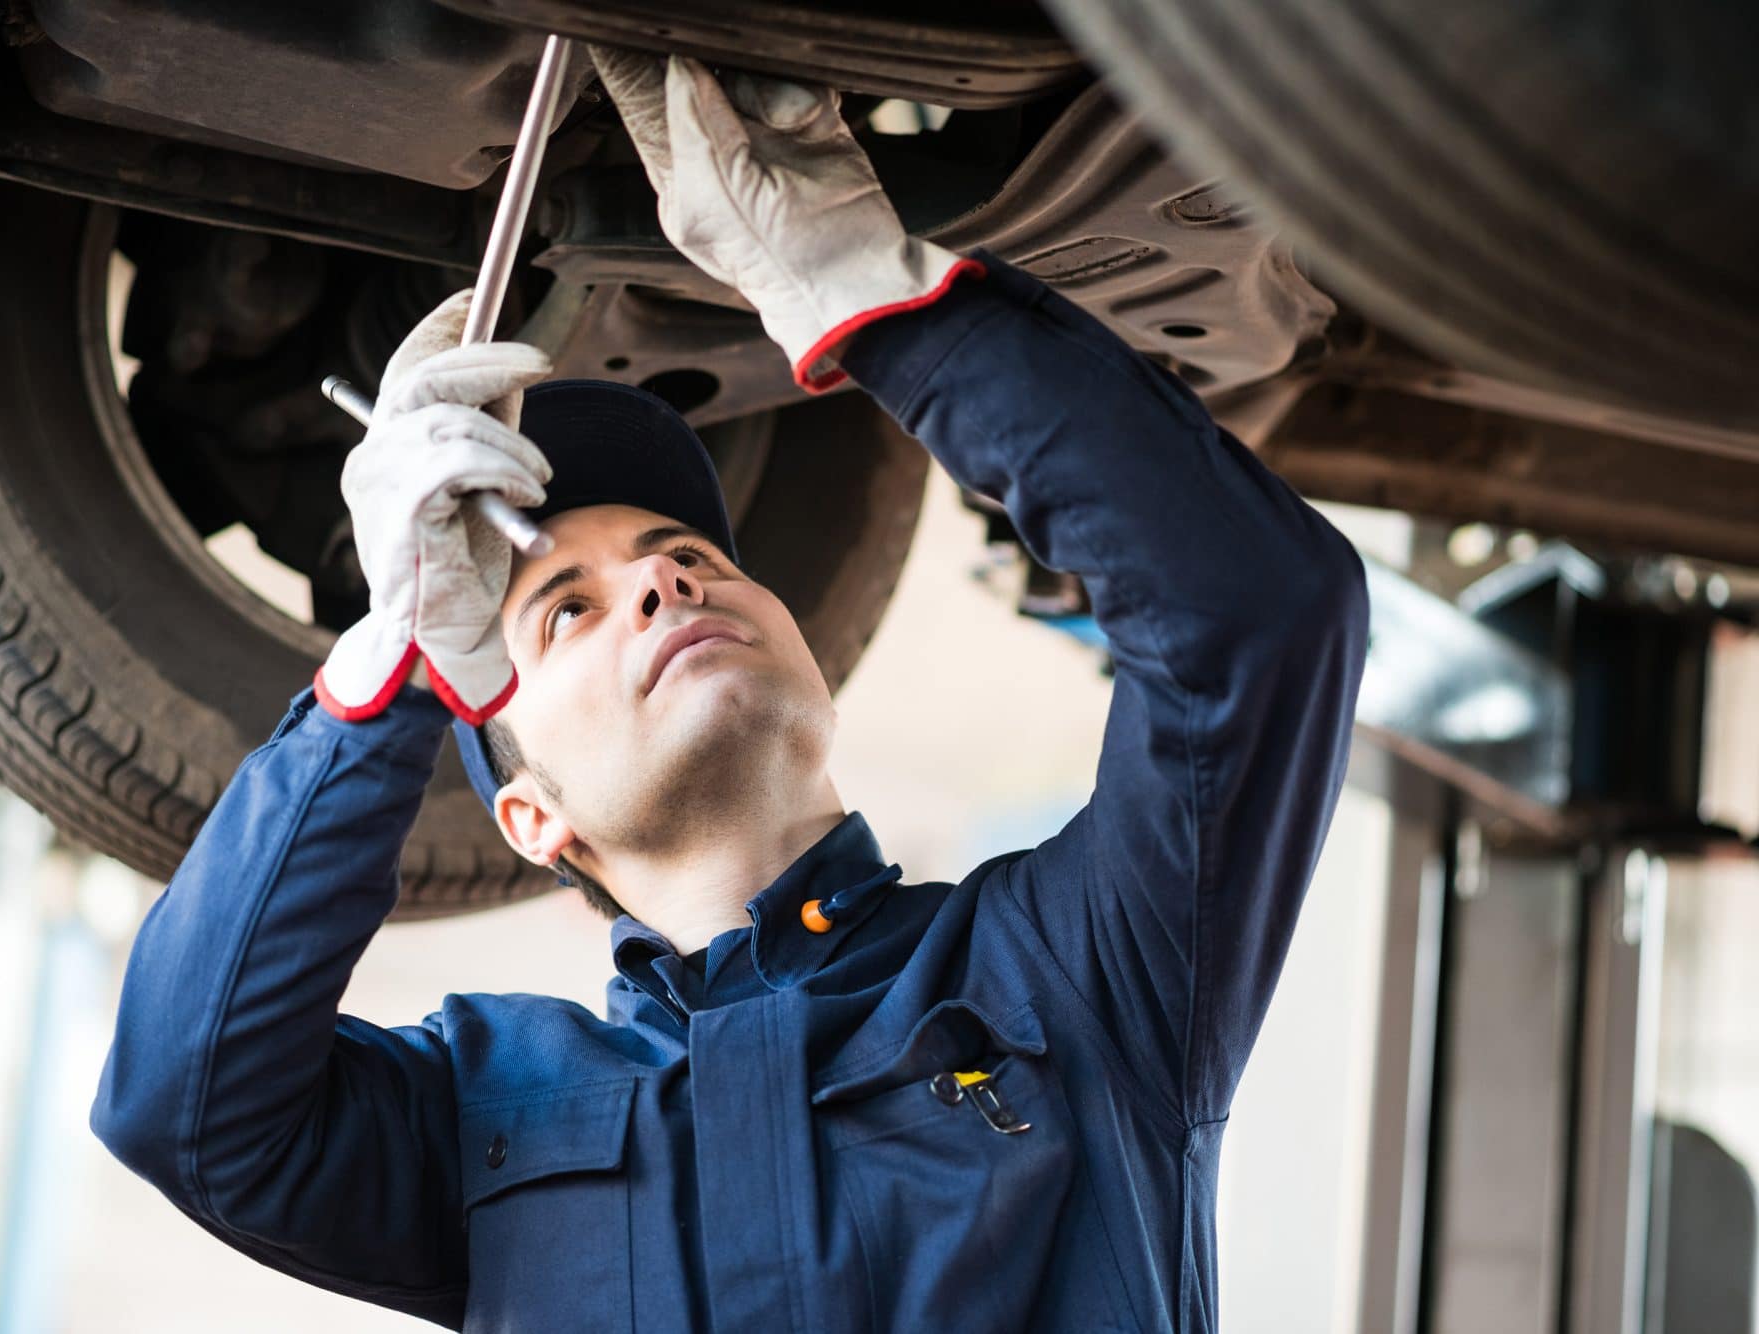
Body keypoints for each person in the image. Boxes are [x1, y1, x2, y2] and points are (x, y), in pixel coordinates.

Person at [89, 48, 1370, 1333]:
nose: (658, 587)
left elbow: (1256, 613)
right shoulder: (480, 1111)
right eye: (567, 609)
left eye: (685, 555)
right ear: (532, 818)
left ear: (806, 658)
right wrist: (390, 664)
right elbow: (184, 1106)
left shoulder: (1073, 967)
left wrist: (874, 302)